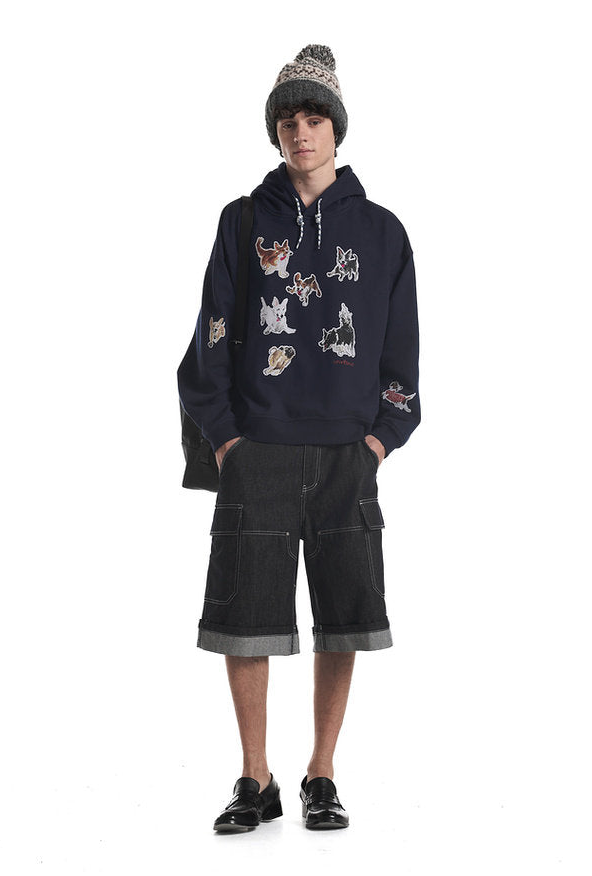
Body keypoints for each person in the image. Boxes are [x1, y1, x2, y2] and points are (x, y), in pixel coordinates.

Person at [177, 44, 421, 832]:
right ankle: (256, 779)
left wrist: (378, 441)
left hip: (349, 454)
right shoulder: (242, 220)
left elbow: (402, 359)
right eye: (288, 120)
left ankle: (322, 773)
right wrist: (227, 443)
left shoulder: (383, 234)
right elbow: (211, 339)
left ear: (337, 128)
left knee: (344, 616)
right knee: (244, 618)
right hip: (259, 450)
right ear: (275, 131)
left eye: (315, 118)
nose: (301, 132)